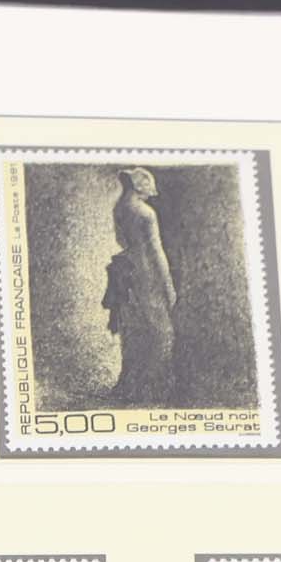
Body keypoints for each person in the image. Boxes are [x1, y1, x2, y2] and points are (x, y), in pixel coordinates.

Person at [104, 166, 178, 404]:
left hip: (127, 270)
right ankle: (151, 390)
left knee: (132, 329)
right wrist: (168, 285)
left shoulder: (120, 208)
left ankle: (131, 386)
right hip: (147, 273)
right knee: (160, 331)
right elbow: (156, 252)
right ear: (140, 186)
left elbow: (121, 241)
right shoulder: (146, 213)